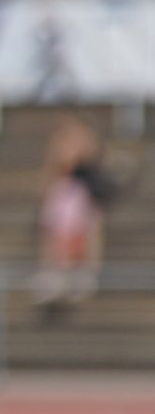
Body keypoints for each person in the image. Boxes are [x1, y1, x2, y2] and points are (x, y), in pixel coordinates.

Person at [32, 114, 123, 308]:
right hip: (65, 194)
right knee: (57, 235)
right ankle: (57, 276)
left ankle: (81, 275)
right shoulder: (59, 151)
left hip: (79, 196)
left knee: (83, 235)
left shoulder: (87, 146)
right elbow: (53, 171)